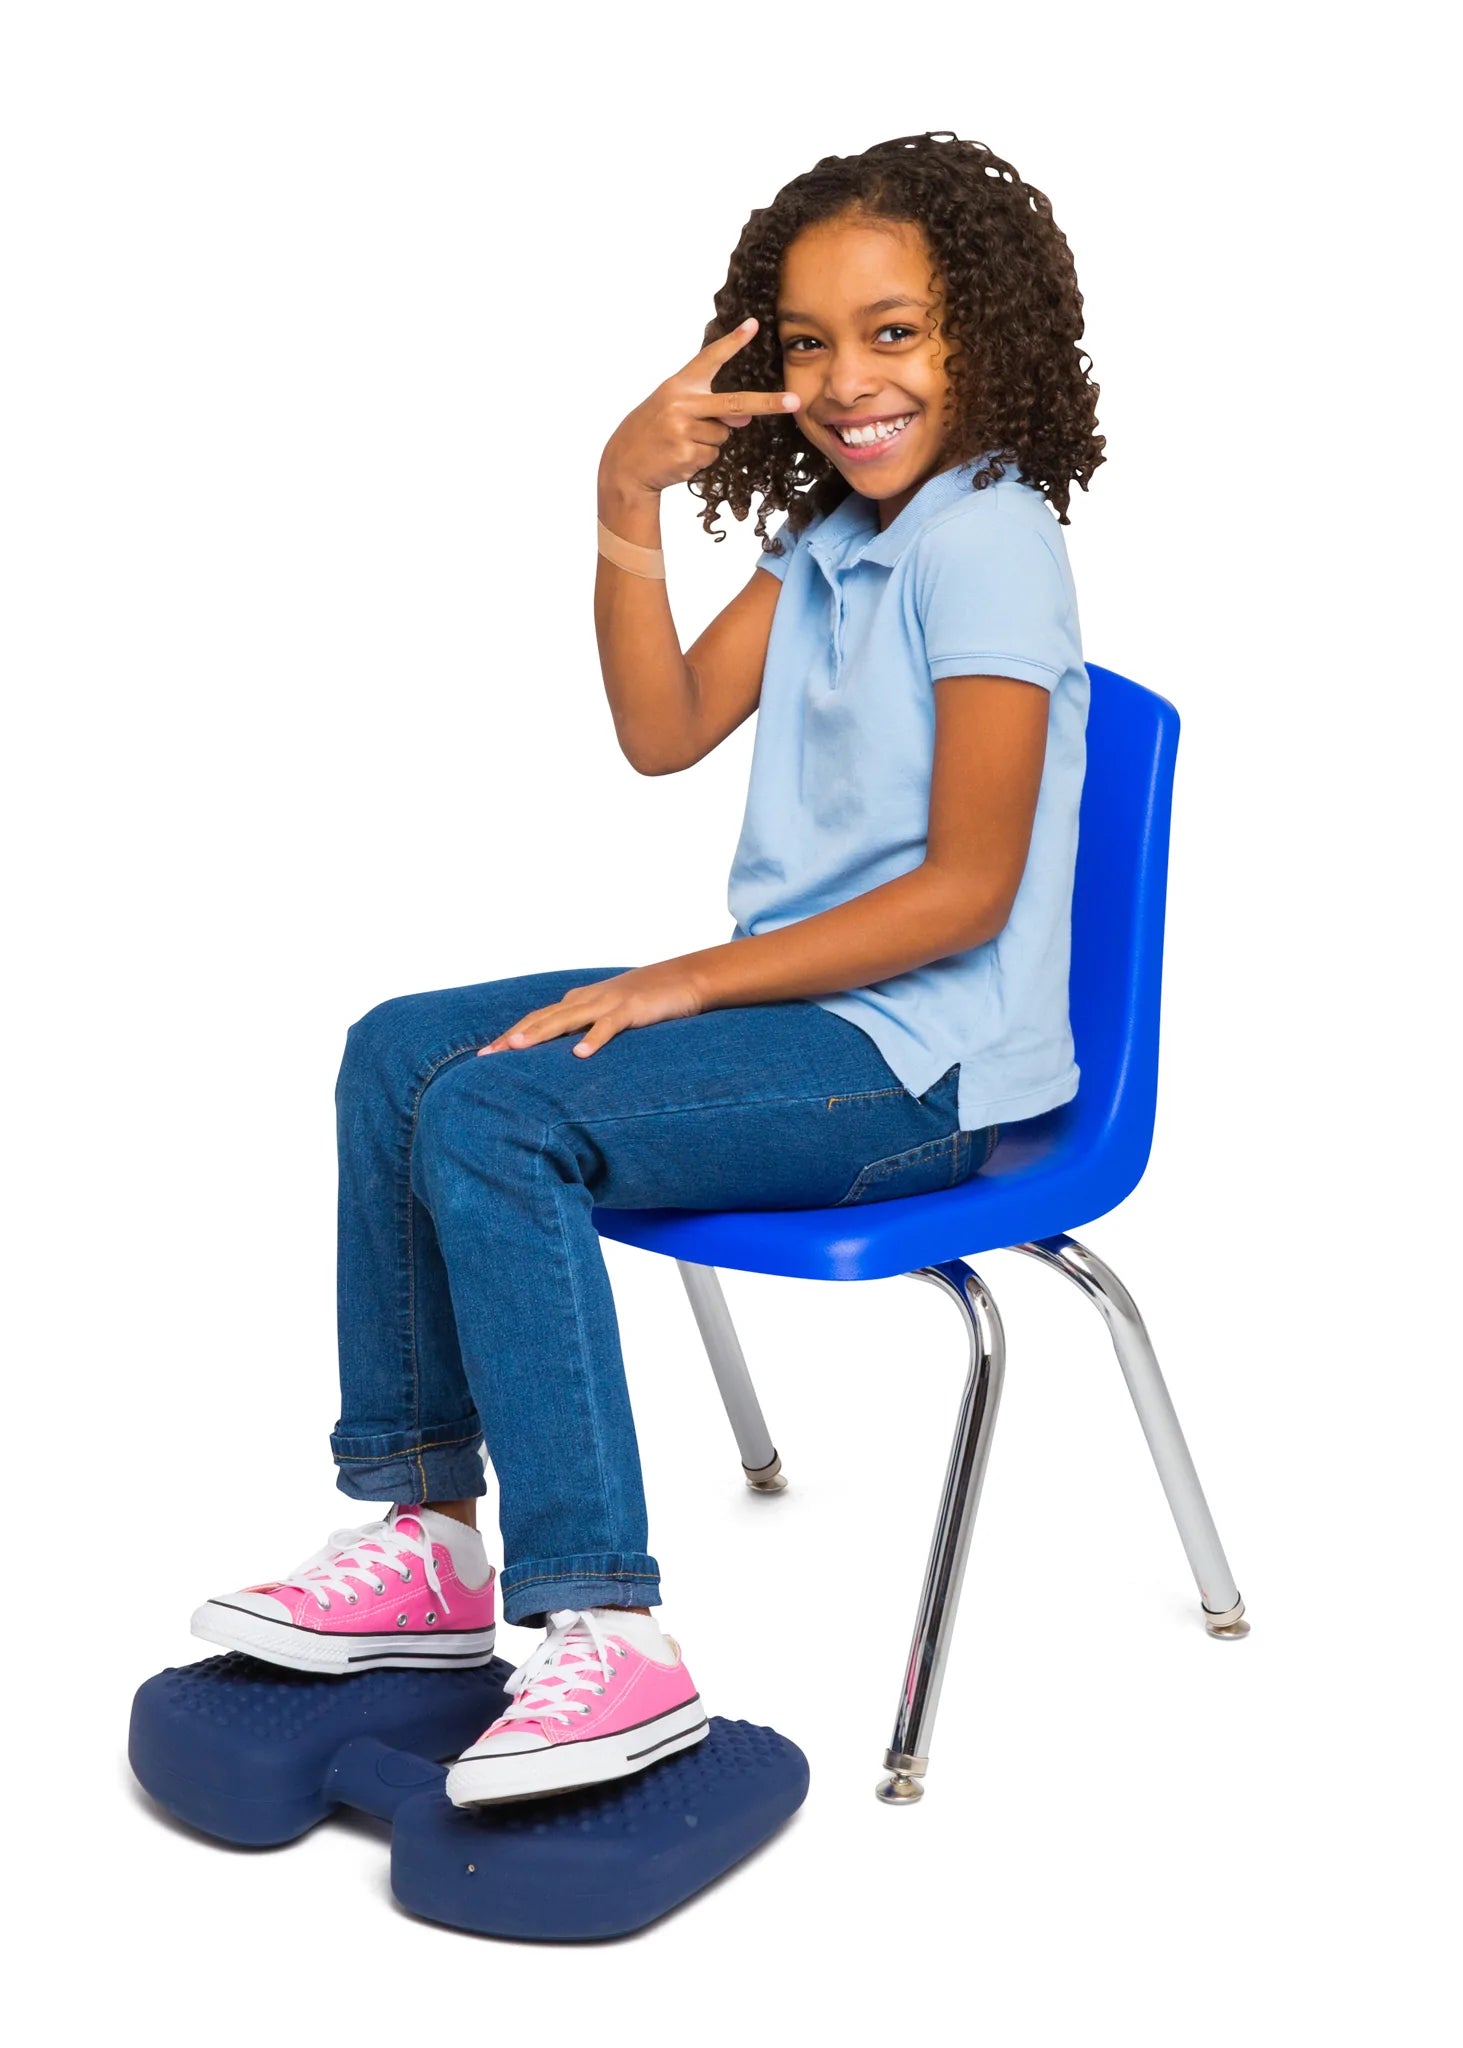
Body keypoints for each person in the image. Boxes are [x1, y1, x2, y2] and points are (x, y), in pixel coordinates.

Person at [189, 130, 1103, 1806]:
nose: (848, 381)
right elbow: (663, 728)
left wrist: (686, 981)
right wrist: (625, 499)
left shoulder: (989, 538)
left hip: (923, 1068)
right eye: (810, 343)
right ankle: (426, 1538)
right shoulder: (827, 547)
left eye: (894, 331)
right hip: (803, 1024)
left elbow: (971, 889)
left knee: (496, 1119)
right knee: (402, 1052)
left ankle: (611, 1637)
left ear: (989, 334)